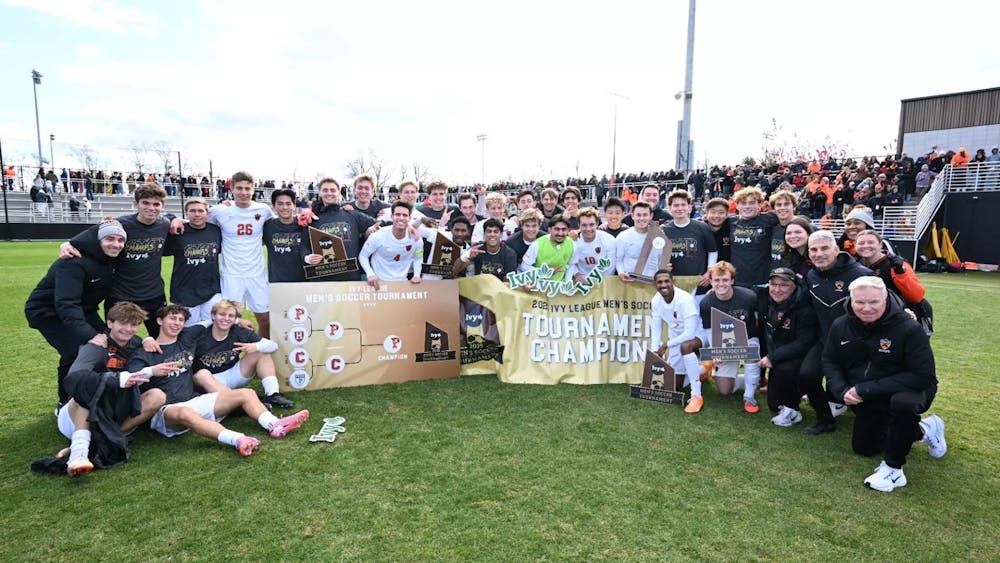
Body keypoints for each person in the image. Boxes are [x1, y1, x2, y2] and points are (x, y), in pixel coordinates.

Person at [129, 305, 310, 457]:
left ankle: (275, 425)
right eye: (172, 319)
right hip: (167, 410)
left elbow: (211, 320)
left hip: (194, 400)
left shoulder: (187, 337)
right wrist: (151, 368)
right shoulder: (145, 351)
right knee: (186, 413)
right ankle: (237, 439)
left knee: (247, 393)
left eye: (180, 320)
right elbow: (131, 380)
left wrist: (237, 320)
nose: (177, 324)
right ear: (160, 321)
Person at [823, 276, 946, 492]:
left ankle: (893, 469)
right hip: (871, 393)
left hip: (911, 389)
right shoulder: (841, 324)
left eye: (874, 302)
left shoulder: (909, 327)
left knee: (903, 404)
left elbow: (923, 375)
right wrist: (842, 390)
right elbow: (830, 361)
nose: (866, 308)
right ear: (851, 301)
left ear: (886, 299)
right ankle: (926, 429)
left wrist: (865, 389)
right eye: (859, 302)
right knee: (864, 447)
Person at [54, 302, 168, 475]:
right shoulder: (96, 345)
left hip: (111, 412)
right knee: (88, 392)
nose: (129, 329)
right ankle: (79, 453)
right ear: (109, 323)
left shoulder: (136, 343)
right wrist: (117, 379)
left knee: (157, 396)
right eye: (123, 323)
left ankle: (107, 438)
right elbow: (75, 377)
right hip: (77, 415)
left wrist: (147, 339)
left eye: (134, 324)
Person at [27, 218, 125, 405]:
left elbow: (146, 221)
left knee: (112, 343)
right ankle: (65, 402)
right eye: (110, 239)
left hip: (83, 309)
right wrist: (90, 335)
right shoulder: (73, 261)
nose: (116, 244)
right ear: (98, 240)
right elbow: (66, 303)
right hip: (47, 311)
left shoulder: (110, 258)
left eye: (120, 240)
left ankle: (103, 392)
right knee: (74, 351)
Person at [59, 184, 179, 337]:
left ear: (162, 206)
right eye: (146, 203)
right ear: (136, 204)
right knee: (116, 341)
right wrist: (66, 243)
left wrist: (174, 218)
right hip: (121, 294)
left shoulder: (164, 224)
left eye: (156, 204)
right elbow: (88, 237)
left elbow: (171, 218)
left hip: (153, 294)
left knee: (162, 338)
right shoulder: (120, 224)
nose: (151, 208)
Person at [203, 172, 274, 337]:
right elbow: (196, 219)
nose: (244, 192)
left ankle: (261, 351)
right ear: (232, 189)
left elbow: (277, 225)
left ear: (253, 189)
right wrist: (174, 219)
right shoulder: (219, 210)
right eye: (239, 188)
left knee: (266, 318)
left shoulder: (263, 209)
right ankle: (231, 356)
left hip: (256, 273)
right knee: (228, 319)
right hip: (231, 274)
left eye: (247, 188)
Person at [191, 300, 295, 409]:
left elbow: (273, 345)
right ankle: (238, 404)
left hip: (232, 374)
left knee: (261, 352)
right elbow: (184, 331)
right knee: (202, 374)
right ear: (213, 315)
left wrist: (254, 347)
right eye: (222, 314)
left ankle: (272, 394)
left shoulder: (238, 332)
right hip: (208, 380)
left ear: (235, 319)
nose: (226, 319)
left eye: (231, 316)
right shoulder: (200, 333)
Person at [756, 268, 826, 429]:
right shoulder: (765, 298)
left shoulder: (804, 308)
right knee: (774, 404)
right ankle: (794, 394)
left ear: (794, 286)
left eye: (784, 285)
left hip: (800, 356)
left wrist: (773, 358)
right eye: (773, 284)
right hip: (779, 355)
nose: (777, 289)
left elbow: (804, 343)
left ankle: (793, 410)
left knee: (784, 368)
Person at [697, 261, 762, 413]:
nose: (721, 284)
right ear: (711, 282)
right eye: (716, 280)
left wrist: (752, 344)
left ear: (732, 280)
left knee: (751, 351)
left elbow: (757, 323)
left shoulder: (749, 297)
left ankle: (749, 397)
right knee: (725, 391)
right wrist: (716, 349)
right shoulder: (706, 303)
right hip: (725, 342)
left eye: (725, 280)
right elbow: (708, 329)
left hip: (747, 338)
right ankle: (748, 379)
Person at [300, 177, 378, 282]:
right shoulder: (312, 217)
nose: (329, 193)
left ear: (338, 193)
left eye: (333, 190)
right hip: (322, 278)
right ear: (320, 193)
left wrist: (405, 223)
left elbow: (380, 224)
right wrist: (307, 258)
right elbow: (303, 246)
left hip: (350, 277)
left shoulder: (351, 213)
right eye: (325, 190)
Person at [649, 270, 705, 414]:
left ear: (672, 281)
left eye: (666, 281)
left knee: (686, 347)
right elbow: (656, 327)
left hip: (700, 334)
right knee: (674, 386)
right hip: (676, 339)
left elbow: (689, 333)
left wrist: (666, 345)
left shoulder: (684, 299)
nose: (663, 285)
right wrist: (655, 350)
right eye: (659, 282)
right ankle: (703, 370)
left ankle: (696, 396)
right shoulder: (656, 301)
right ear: (655, 285)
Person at [854, 230, 932, 333]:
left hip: (908, 315)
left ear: (880, 245)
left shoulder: (896, 264)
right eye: (861, 243)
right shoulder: (855, 265)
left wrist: (900, 273)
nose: (866, 246)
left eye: (871, 242)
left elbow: (917, 296)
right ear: (855, 246)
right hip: (878, 318)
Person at [164, 198, 222, 326]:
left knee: (215, 327)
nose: (197, 214)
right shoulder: (177, 231)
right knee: (186, 332)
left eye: (201, 211)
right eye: (193, 211)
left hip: (212, 290)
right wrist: (172, 218)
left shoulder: (216, 231)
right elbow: (160, 222)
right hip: (184, 292)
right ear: (186, 213)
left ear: (207, 213)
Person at [663, 189, 717, 302]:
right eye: (676, 205)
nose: (680, 208)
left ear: (689, 207)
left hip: (699, 285)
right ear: (670, 208)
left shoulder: (702, 227)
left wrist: (709, 271)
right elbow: (657, 255)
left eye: (683, 205)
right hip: (674, 284)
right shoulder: (663, 230)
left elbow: (712, 251)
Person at [358, 201, 424, 290]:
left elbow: (418, 258)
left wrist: (416, 275)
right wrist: (370, 274)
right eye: (397, 214)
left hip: (402, 284)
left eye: (405, 215)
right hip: (378, 284)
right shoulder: (378, 235)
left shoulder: (416, 239)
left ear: (409, 218)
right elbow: (363, 256)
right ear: (392, 217)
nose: (401, 218)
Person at [729, 187, 779, 288]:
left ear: (759, 204)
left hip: (762, 281)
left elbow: (792, 219)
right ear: (737, 206)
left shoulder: (770, 219)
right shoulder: (729, 222)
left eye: (752, 203)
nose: (747, 206)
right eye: (743, 203)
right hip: (738, 281)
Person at [263, 187, 305, 283]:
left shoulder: (304, 224)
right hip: (277, 284)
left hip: (303, 283)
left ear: (294, 206)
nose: (285, 207)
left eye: (288, 204)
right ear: (274, 206)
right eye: (280, 204)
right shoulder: (267, 226)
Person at [566, 207, 617, 283]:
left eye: (591, 224)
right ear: (579, 225)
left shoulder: (609, 240)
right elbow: (569, 263)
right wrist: (577, 274)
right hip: (580, 281)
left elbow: (611, 268)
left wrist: (595, 282)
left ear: (597, 224)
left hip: (603, 281)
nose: (588, 229)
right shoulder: (573, 241)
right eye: (584, 225)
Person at [615, 202, 663, 282]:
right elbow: (618, 260)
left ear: (651, 216)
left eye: (645, 215)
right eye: (638, 215)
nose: (641, 218)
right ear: (632, 215)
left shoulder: (659, 236)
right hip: (630, 284)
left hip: (651, 285)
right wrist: (621, 273)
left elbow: (660, 261)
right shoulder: (623, 236)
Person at [520, 214, 574, 282]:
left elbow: (571, 266)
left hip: (559, 287)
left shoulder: (572, 244)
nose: (560, 233)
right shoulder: (537, 244)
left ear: (568, 230)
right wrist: (545, 272)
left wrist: (567, 283)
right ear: (550, 229)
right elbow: (524, 266)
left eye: (564, 229)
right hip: (539, 286)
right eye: (557, 229)